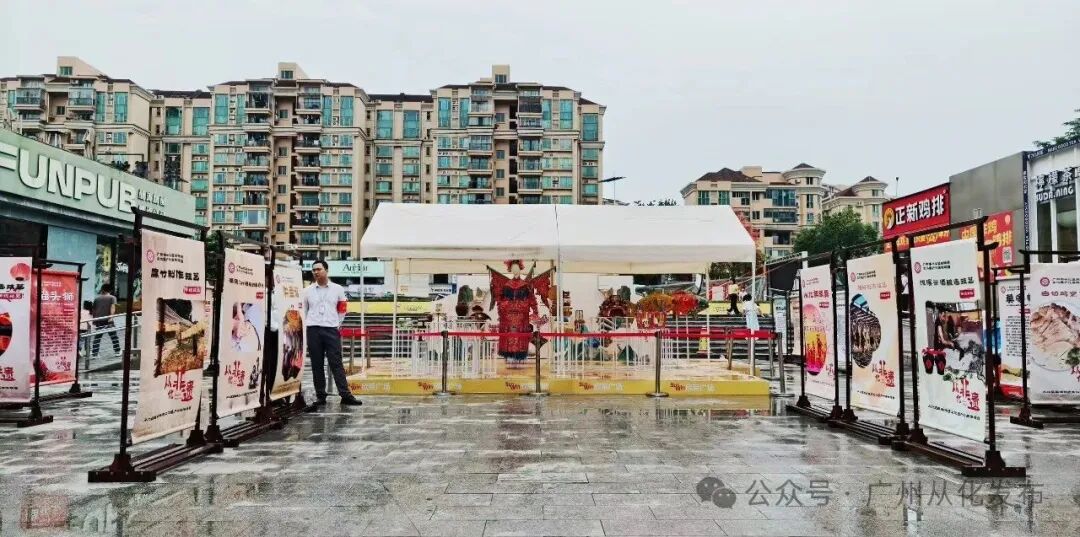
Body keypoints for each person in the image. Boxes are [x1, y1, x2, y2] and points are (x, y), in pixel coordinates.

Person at [303, 260, 362, 407]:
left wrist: (336, 324)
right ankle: (320, 396)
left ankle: (345, 395)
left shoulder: (337, 289)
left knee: (336, 363)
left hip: (331, 329)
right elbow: (304, 311)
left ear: (326, 270)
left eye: (319, 269)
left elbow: (342, 309)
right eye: (314, 270)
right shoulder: (307, 291)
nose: (316, 272)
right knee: (316, 364)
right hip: (313, 329)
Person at [91, 285, 121, 357]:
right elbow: (112, 307)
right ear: (110, 290)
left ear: (102, 290)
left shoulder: (97, 298)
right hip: (108, 320)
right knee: (114, 336)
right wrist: (111, 317)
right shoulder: (112, 298)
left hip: (99, 320)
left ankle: (94, 354)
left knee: (97, 337)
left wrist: (94, 320)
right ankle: (117, 351)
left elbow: (94, 310)